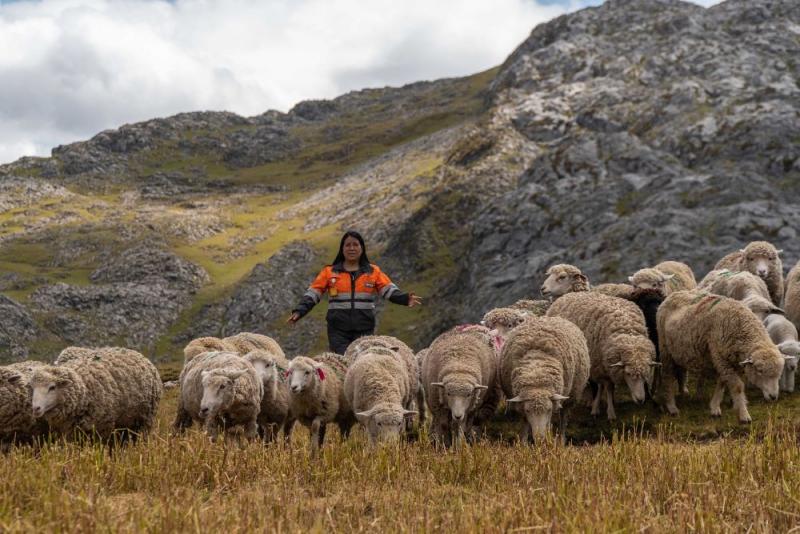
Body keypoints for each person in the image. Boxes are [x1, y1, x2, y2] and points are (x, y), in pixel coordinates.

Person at [287, 230, 422, 354]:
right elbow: (313, 294)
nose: (351, 248)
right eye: (347, 245)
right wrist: (299, 311)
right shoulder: (329, 272)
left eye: (355, 245)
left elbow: (389, 290)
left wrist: (405, 299)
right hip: (338, 330)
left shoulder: (373, 271)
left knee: (363, 363)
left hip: (364, 329)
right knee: (343, 363)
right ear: (342, 249)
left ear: (361, 248)